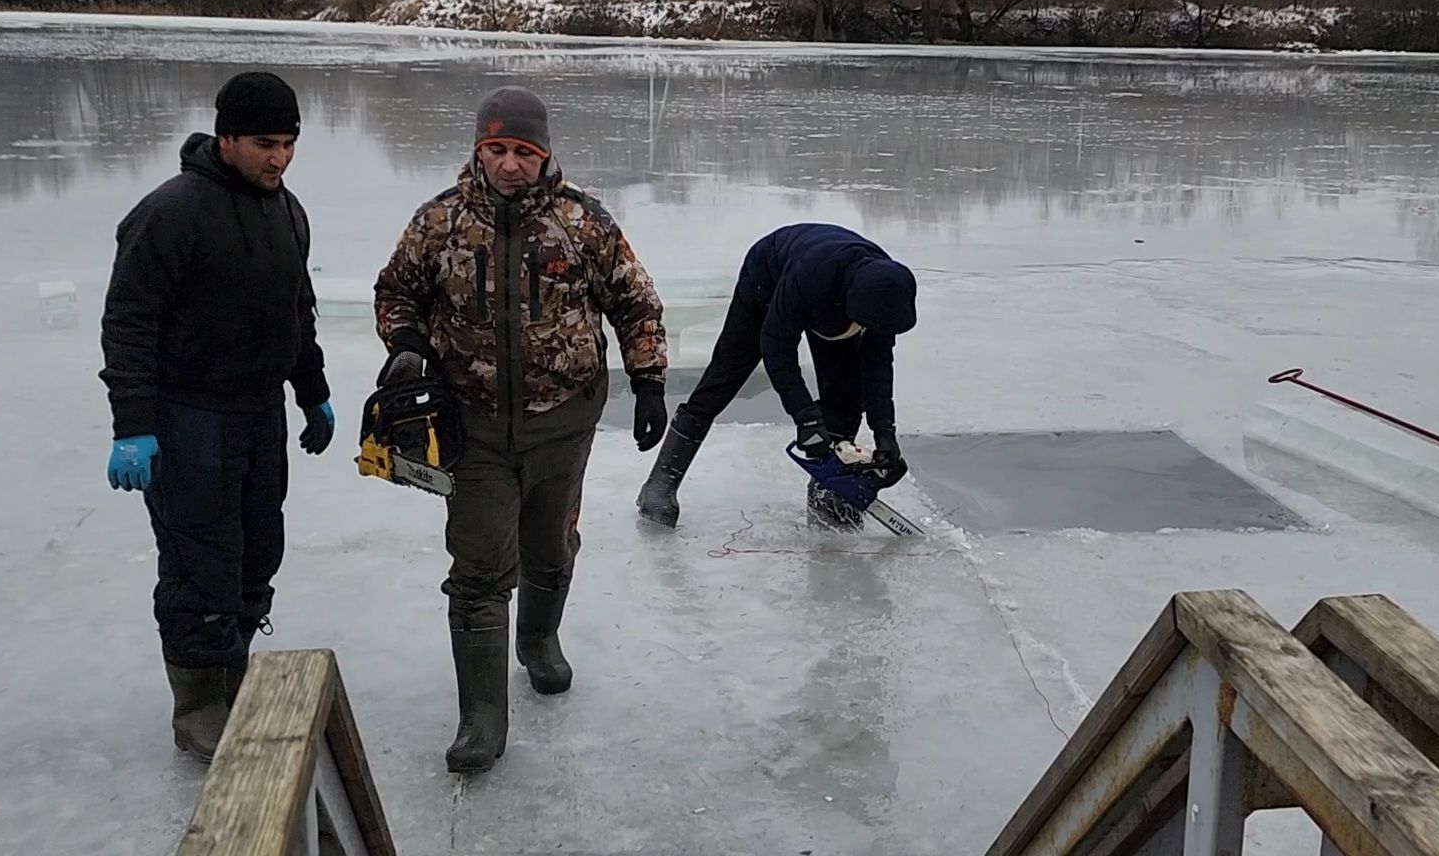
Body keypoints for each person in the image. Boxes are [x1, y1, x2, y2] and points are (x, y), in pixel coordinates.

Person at [373, 85, 667, 774]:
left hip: (562, 424)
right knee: (477, 571)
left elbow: (635, 301)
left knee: (551, 545)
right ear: (479, 149)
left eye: (523, 152)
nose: (509, 164)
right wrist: (407, 341)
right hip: (469, 426)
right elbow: (396, 292)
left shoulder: (582, 223)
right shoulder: (438, 223)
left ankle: (538, 643)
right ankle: (481, 717)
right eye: (497, 149)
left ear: (544, 154)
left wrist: (649, 380)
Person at [99, 71, 335, 763]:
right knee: (201, 563)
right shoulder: (170, 213)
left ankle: (232, 676)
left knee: (258, 551)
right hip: (189, 418)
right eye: (266, 143)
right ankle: (200, 706)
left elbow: (298, 310)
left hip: (258, 416)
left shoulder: (288, 212)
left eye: (290, 144)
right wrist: (132, 424)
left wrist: (311, 388)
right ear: (226, 137)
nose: (280, 158)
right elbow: (129, 325)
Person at [635, 223, 916, 530]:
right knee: (723, 378)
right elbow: (776, 347)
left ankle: (829, 493)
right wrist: (804, 415)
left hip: (835, 297)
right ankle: (662, 481)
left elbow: (877, 367)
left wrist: (884, 432)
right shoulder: (810, 278)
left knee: (847, 397)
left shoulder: (886, 293)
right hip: (767, 279)